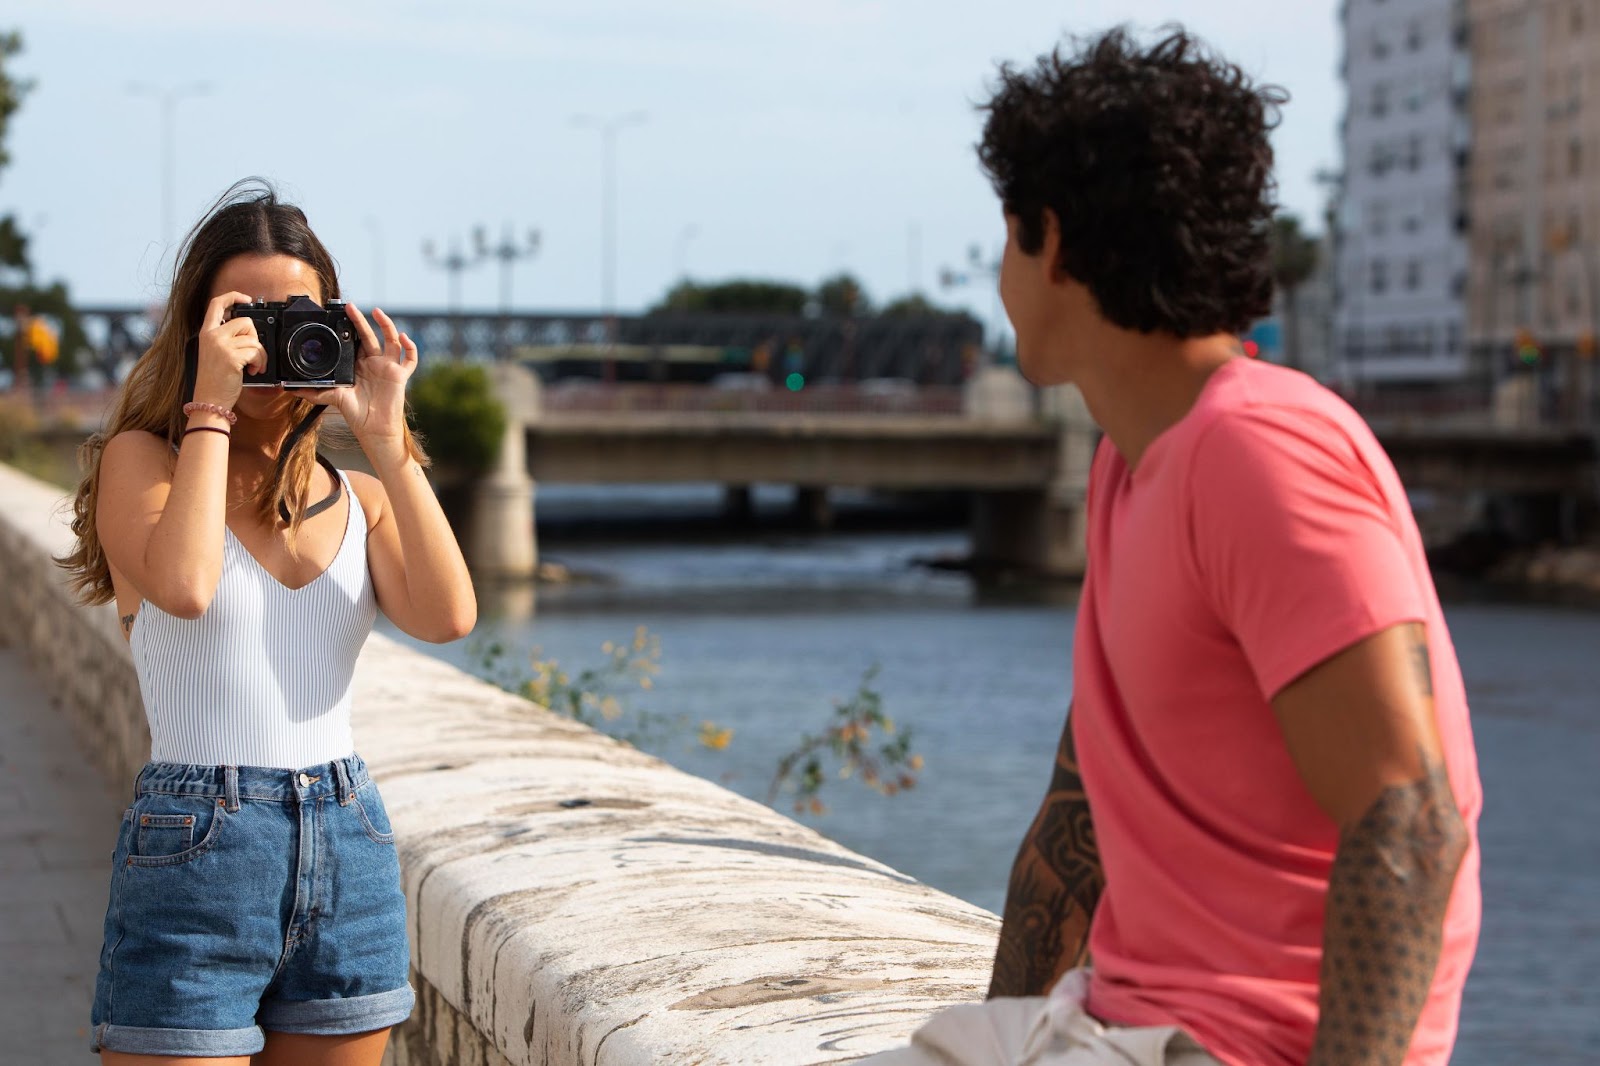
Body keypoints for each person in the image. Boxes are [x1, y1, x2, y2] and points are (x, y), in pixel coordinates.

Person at [863, 27, 1481, 1066]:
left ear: (1048, 241)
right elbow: (1079, 820)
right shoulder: (1133, 461)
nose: (998, 274)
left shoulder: (1257, 454)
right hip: (1120, 1028)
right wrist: (998, 1037)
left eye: (1005, 238)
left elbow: (1409, 820)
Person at [57, 180, 477, 1065]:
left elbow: (448, 617)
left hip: (350, 839)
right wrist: (209, 403)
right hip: (194, 853)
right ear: (196, 328)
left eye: (294, 315)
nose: (266, 340)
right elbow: (185, 585)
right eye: (241, 315)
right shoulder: (144, 463)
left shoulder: (360, 495)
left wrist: (389, 441)